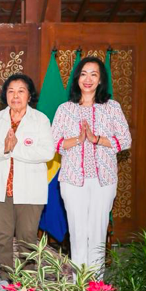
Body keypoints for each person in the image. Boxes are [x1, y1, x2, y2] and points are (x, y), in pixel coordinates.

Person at [51, 56, 131, 272]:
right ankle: (79, 284)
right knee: (77, 232)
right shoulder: (65, 109)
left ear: (100, 80)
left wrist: (96, 139)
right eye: (84, 74)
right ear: (77, 78)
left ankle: (96, 285)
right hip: (72, 180)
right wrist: (78, 139)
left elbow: (125, 140)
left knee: (98, 232)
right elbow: (54, 143)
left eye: (94, 74)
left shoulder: (112, 107)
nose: (88, 79)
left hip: (103, 180)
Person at [0, 74, 54, 291]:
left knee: (27, 237)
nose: (16, 95)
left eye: (21, 90)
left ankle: (27, 282)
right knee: (1, 236)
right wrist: (4, 149)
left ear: (29, 95)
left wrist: (15, 148)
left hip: (30, 190)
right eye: (11, 91)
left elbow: (47, 152)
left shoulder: (40, 120)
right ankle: (5, 279)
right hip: (0, 190)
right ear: (5, 95)